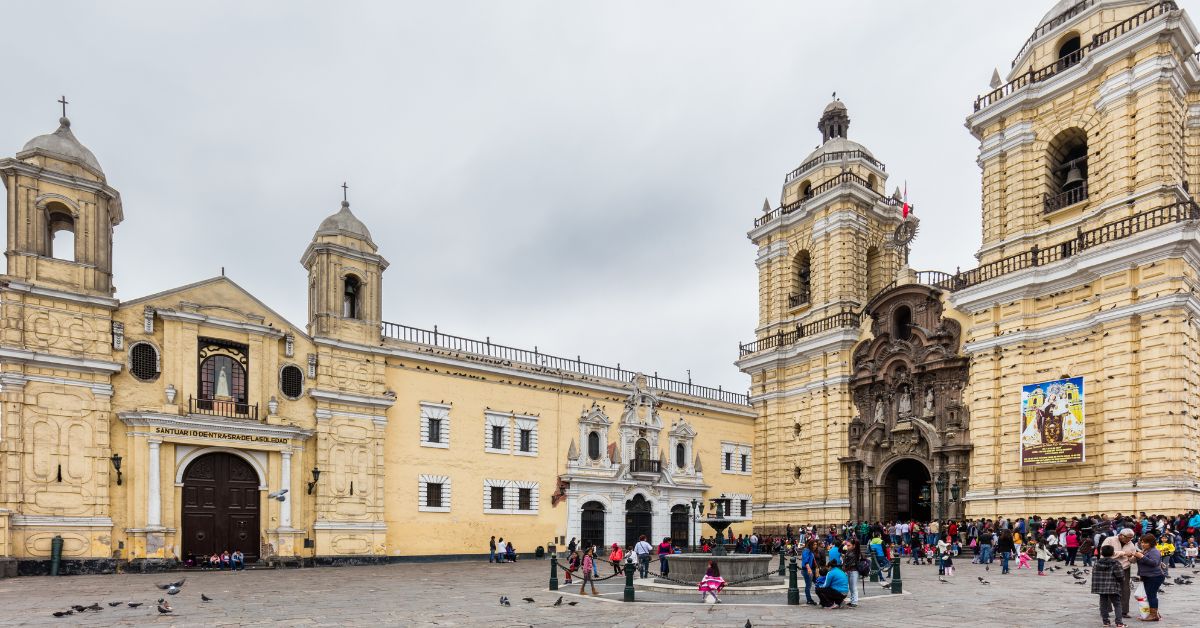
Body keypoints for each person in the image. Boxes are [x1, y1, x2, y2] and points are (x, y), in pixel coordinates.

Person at [1102, 528, 1138, 620]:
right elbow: (1104, 553)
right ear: (1121, 535)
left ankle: (1124, 611)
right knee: (1107, 589)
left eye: (1131, 538)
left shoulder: (1131, 544)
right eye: (1127, 538)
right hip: (1109, 567)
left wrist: (1134, 557)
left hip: (1124, 568)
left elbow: (1131, 559)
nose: (1129, 540)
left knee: (1125, 589)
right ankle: (1106, 610)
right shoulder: (1110, 540)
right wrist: (1123, 553)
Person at [1133, 533, 1165, 621]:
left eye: (1145, 542)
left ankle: (1154, 615)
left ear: (1151, 542)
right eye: (1142, 542)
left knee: (1151, 596)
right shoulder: (1146, 550)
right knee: (1149, 595)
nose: (1143, 544)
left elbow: (1154, 563)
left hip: (1155, 576)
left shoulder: (1154, 551)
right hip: (1148, 576)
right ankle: (1154, 613)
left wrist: (1142, 557)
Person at [1092, 544, 1125, 628]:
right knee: (1117, 604)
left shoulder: (1097, 563)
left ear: (1102, 553)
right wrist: (1121, 581)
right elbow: (1120, 575)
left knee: (1103, 604)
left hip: (1101, 587)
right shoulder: (1116, 563)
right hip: (1113, 586)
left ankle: (1106, 622)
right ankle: (1119, 623)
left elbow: (1095, 575)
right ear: (1113, 553)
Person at [801, 540, 817, 606]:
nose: (815, 546)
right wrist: (808, 569)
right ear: (810, 545)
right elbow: (805, 560)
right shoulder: (806, 550)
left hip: (812, 569)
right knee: (808, 585)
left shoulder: (811, 551)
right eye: (814, 544)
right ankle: (809, 599)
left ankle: (822, 596)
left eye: (816, 544)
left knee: (817, 583)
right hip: (807, 570)